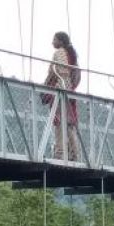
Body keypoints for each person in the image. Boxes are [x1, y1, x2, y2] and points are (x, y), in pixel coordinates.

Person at [43, 32, 81, 161]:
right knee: (69, 124)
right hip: (69, 93)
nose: (52, 42)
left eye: (54, 39)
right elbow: (76, 76)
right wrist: (71, 86)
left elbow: (54, 72)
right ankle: (74, 154)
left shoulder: (59, 52)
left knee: (59, 122)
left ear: (61, 41)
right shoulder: (72, 55)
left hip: (60, 91)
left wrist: (46, 87)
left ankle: (60, 153)